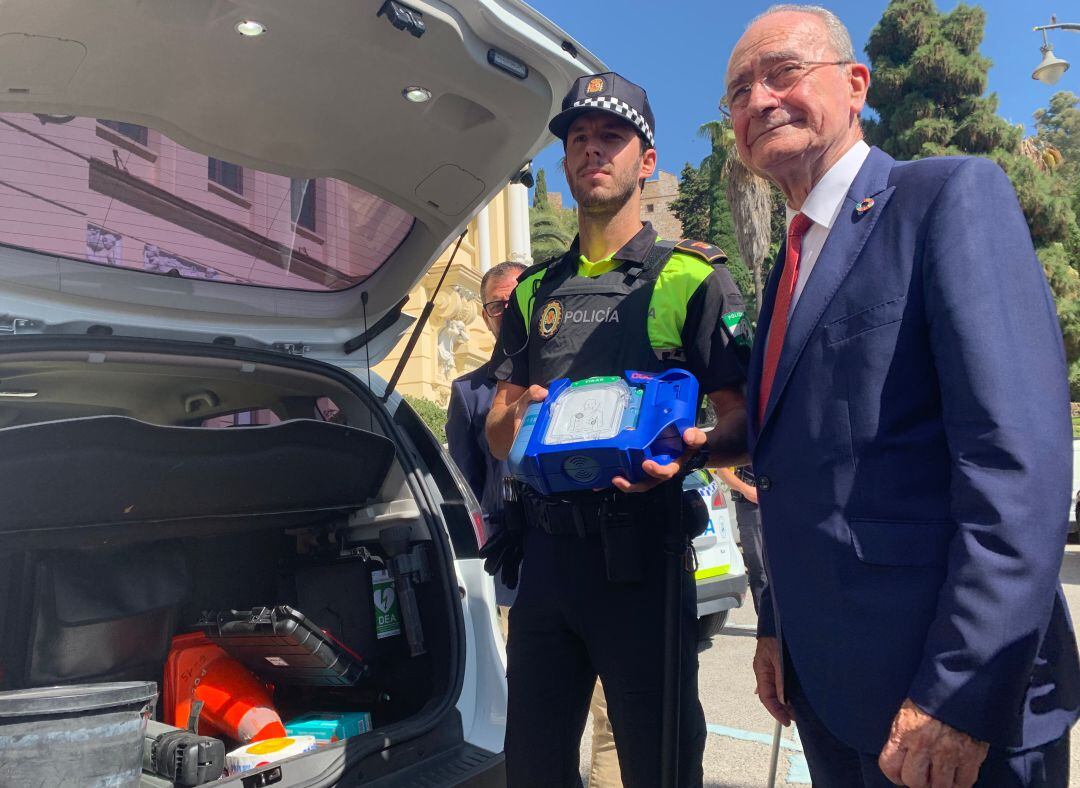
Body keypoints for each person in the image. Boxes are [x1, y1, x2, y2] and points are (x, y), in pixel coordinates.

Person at [727, 5, 1080, 787]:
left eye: (782, 72)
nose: (758, 100)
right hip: (830, 696)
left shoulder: (947, 197)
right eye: (738, 92)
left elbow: (1015, 466)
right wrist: (779, 628)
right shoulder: (783, 272)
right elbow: (799, 476)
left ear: (855, 85)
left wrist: (958, 694)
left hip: (946, 709)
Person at [483, 71, 750, 788]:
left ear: (647, 159)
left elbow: (742, 418)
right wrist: (518, 415)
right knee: (534, 771)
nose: (593, 151)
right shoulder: (534, 291)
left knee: (659, 766)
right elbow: (497, 432)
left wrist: (695, 453)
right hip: (545, 559)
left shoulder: (691, 278)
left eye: (611, 137)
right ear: (564, 162)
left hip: (643, 558)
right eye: (578, 140)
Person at [446, 260, 624, 787]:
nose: (511, 312)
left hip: (595, 557)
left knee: (611, 711)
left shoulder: (579, 376)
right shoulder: (469, 392)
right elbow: (471, 484)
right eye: (501, 305)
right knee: (539, 718)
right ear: (486, 316)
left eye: (522, 299)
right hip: (519, 574)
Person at [715, 466, 764, 614]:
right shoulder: (740, 443)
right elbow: (721, 469)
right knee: (760, 570)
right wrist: (746, 490)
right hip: (751, 505)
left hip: (778, 501)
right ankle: (769, 630)